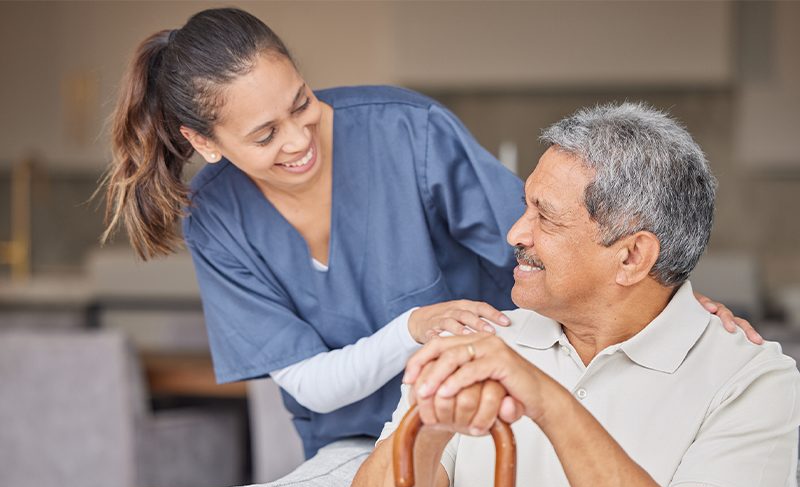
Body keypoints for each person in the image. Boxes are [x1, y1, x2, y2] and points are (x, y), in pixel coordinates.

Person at [102, 7, 758, 460]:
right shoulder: (216, 219)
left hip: (495, 408)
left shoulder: (406, 133)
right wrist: (414, 326)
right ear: (203, 143)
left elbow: (555, 249)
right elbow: (309, 385)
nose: (301, 139)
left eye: (301, 102)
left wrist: (678, 311)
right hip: (354, 445)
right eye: (265, 134)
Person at [341, 103, 800, 487]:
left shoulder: (750, 377)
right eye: (525, 206)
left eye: (547, 218)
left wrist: (546, 399)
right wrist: (430, 429)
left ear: (631, 256)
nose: (516, 233)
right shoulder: (476, 344)